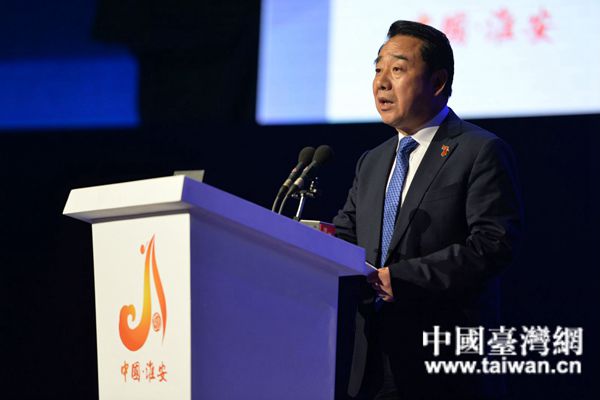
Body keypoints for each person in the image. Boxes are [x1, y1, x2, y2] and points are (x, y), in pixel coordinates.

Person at [333, 20, 523, 400]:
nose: (381, 83)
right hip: (374, 364)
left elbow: (493, 244)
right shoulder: (372, 161)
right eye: (377, 69)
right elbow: (346, 234)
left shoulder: (479, 150)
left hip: (443, 366)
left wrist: (401, 278)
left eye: (397, 69)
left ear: (437, 83)